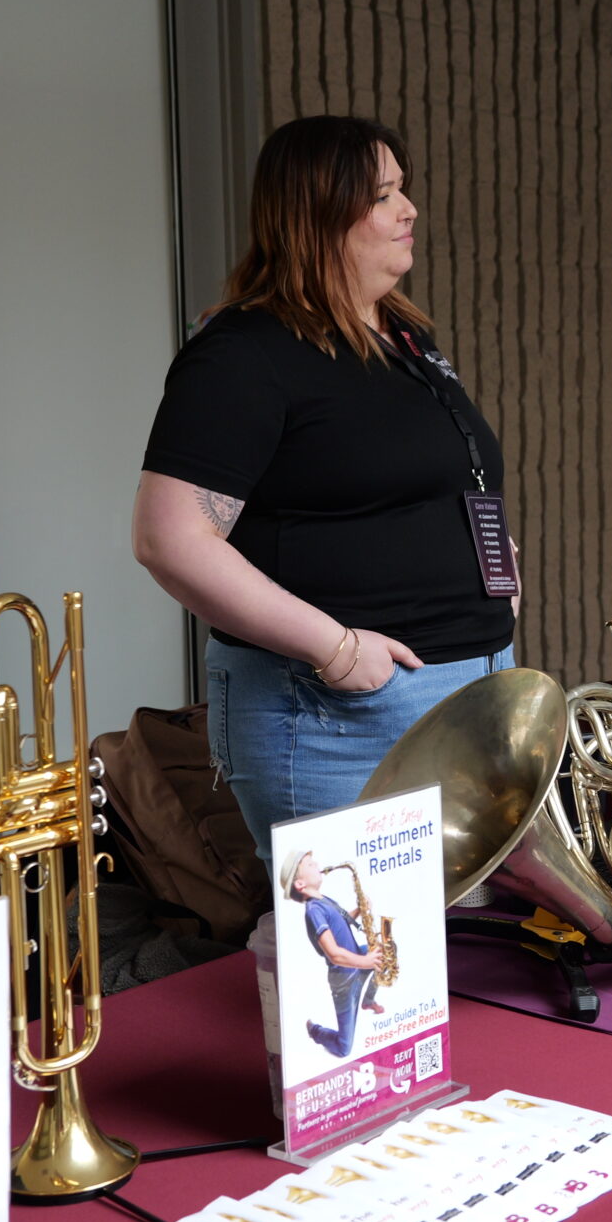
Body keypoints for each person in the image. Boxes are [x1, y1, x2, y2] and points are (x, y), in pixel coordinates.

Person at [132, 116, 519, 867]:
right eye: (382, 196)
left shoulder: (404, 341)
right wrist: (338, 652)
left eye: (404, 190)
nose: (409, 210)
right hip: (340, 711)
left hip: (468, 693)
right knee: (365, 968)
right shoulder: (244, 354)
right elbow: (171, 538)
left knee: (444, 960)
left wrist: (498, 565)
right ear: (317, 214)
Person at [282, 852, 381, 1059]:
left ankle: (368, 999)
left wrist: (359, 910)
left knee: (388, 951)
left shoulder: (324, 900)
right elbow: (334, 954)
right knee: (344, 1048)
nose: (317, 863)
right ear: (300, 884)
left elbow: (340, 924)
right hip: (344, 977)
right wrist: (365, 962)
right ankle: (314, 1030)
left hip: (355, 960)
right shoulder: (313, 911)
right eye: (310, 864)